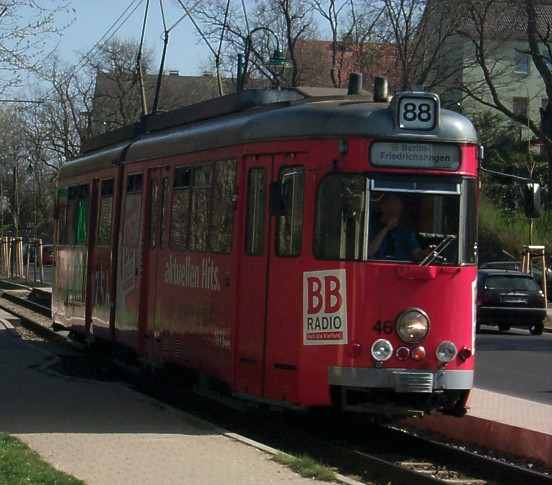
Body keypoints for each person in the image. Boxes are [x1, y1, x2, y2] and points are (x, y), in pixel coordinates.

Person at [368, 193, 424, 261]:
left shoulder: (406, 231)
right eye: (391, 202)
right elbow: (369, 252)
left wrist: (425, 254)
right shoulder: (370, 225)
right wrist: (386, 228)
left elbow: (417, 254)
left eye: (398, 204)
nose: (395, 207)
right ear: (382, 206)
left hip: (401, 269)